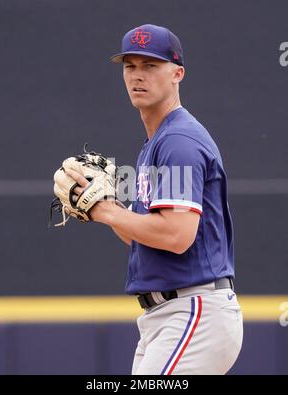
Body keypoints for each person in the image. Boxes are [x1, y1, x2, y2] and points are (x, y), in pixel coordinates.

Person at [65, 24, 243, 375]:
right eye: (130, 66)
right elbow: (139, 234)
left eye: (151, 65)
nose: (138, 76)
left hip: (193, 311)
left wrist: (104, 211)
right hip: (169, 316)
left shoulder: (178, 140)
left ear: (177, 73)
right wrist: (112, 207)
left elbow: (176, 236)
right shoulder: (157, 143)